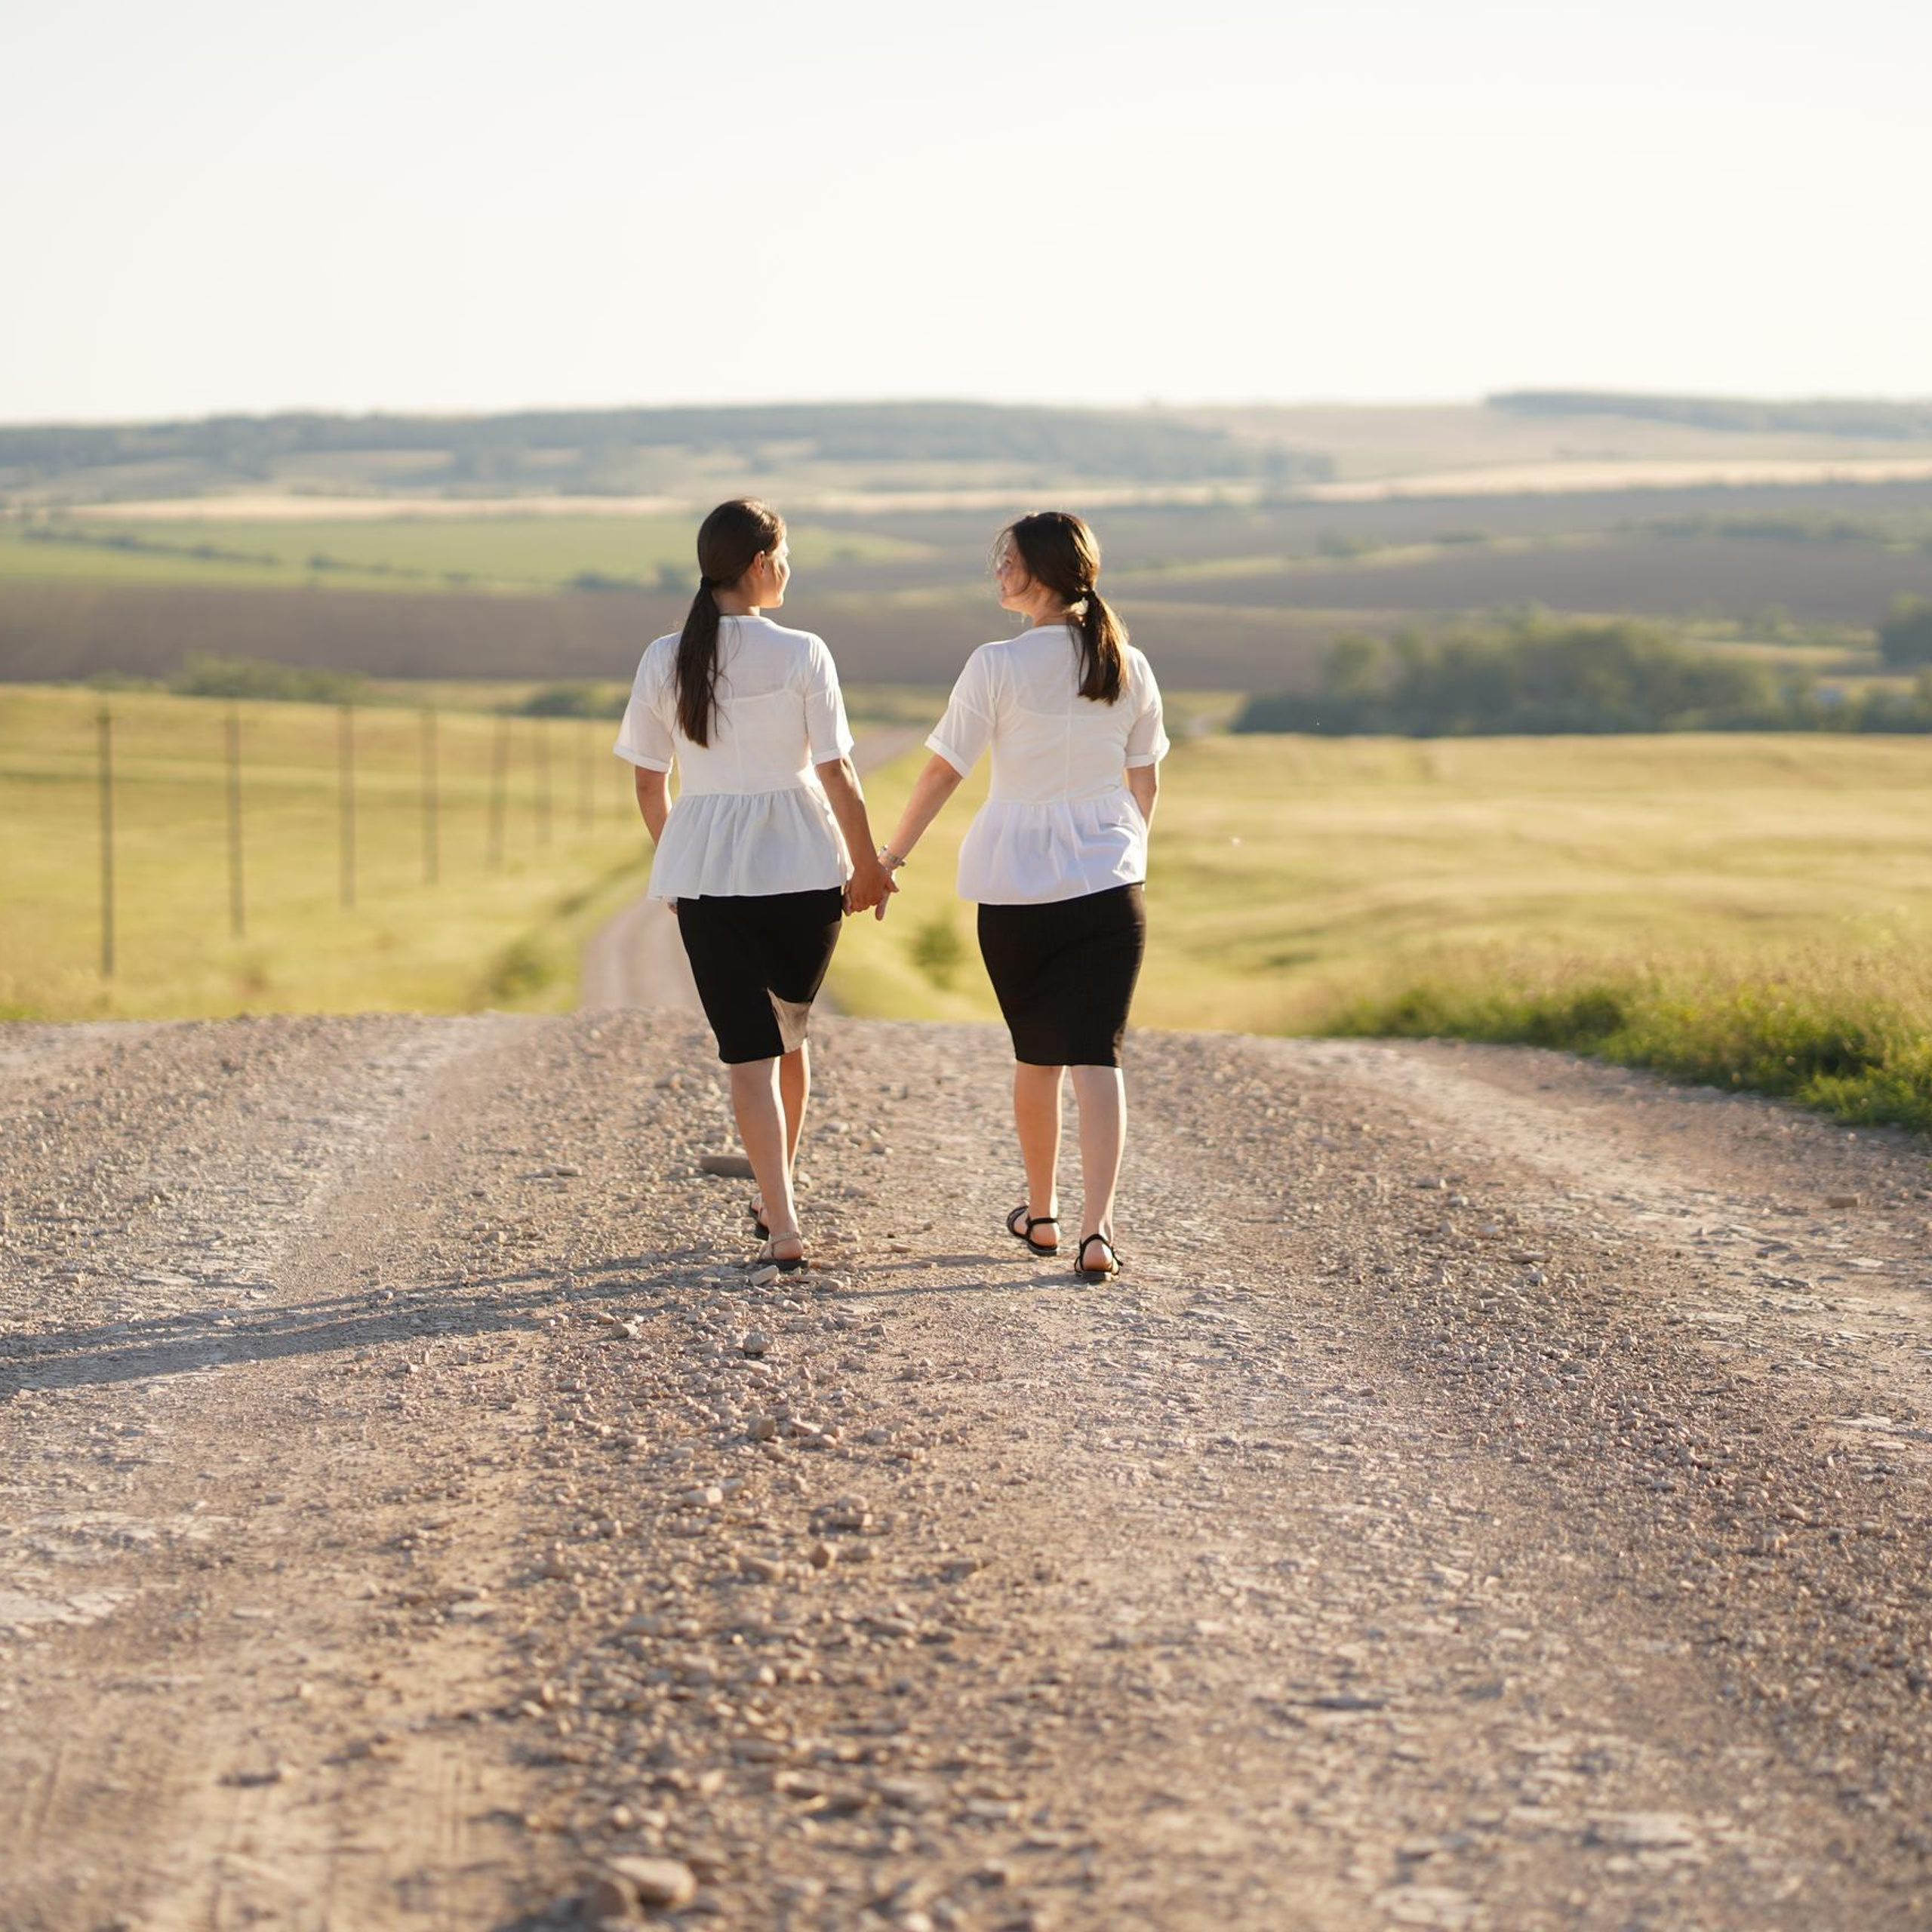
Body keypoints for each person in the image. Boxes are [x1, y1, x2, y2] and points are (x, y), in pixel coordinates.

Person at [876, 509, 1168, 1283]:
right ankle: (1097, 1233)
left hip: (1014, 881)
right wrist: (1125, 854)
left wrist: (891, 856)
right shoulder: (1128, 663)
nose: (997, 573)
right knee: (1098, 1055)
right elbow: (1145, 780)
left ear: (1039, 572)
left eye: (1006, 561)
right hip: (1109, 879)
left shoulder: (995, 664)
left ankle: (1042, 1216)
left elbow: (943, 770)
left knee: (1037, 1054)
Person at [615, 499, 892, 1272]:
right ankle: (778, 1200)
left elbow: (649, 783)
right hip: (804, 865)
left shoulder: (664, 656)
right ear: (761, 564)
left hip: (707, 872)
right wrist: (868, 867)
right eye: (785, 555)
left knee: (748, 1049)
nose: (789, 568)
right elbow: (836, 771)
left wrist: (681, 859)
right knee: (788, 1033)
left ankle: (782, 1218)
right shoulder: (805, 651)